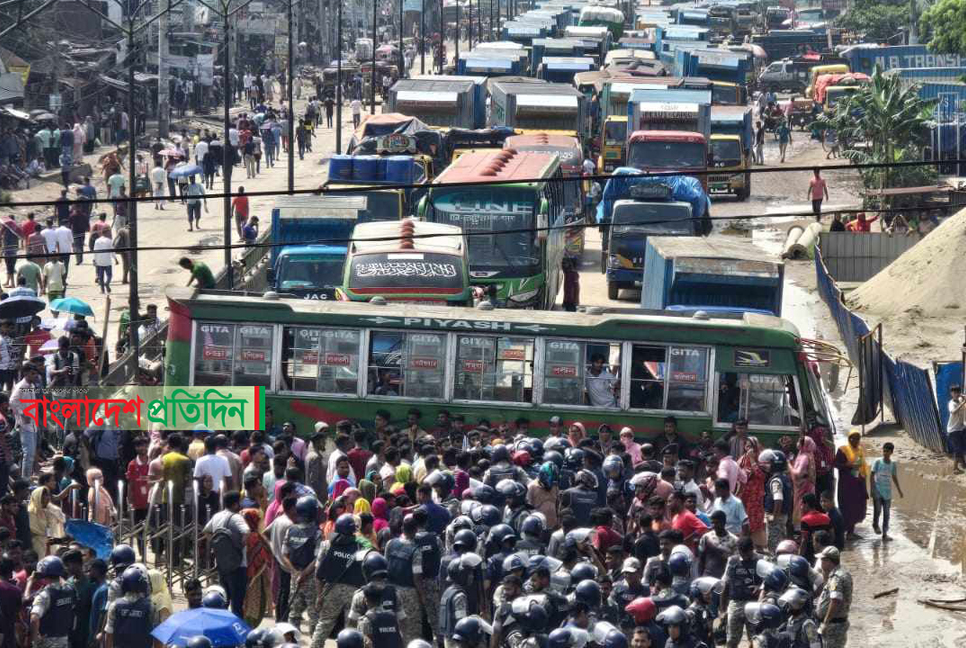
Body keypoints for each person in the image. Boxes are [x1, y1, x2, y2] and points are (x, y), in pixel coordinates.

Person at [203, 490, 250, 617]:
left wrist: (216, 545)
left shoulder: (217, 516)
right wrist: (240, 545)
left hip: (222, 565)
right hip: (238, 566)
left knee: (224, 600)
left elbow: (206, 531)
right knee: (237, 603)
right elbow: (246, 531)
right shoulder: (237, 517)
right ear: (235, 504)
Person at [30, 556, 77, 648]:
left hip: (47, 642)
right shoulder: (70, 590)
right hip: (64, 639)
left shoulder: (45, 595)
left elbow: (34, 618)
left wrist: (35, 640)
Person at [814, 547, 852, 648]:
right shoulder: (840, 573)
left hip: (834, 625)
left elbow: (835, 601)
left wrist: (825, 622)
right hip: (836, 624)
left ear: (829, 561)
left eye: (822, 560)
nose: (820, 563)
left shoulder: (836, 578)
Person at [834, 431, 868, 539]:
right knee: (846, 507)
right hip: (846, 485)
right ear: (849, 439)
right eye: (853, 439)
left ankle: (850, 532)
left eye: (858, 439)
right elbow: (835, 464)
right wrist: (847, 465)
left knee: (856, 508)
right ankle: (842, 532)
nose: (856, 441)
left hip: (857, 484)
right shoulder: (843, 450)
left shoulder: (860, 451)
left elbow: (862, 466)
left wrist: (863, 480)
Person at [869, 442, 903, 540]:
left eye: (887, 451)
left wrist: (899, 490)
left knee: (887, 514)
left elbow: (894, 477)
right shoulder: (877, 462)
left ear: (891, 452)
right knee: (878, 510)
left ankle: (885, 534)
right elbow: (872, 475)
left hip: (887, 492)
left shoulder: (892, 465)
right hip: (877, 490)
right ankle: (875, 524)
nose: (884, 453)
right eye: (883, 451)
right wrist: (872, 489)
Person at [948, 384, 966, 473]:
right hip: (953, 430)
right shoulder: (951, 403)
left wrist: (962, 396)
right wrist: (963, 402)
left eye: (957, 392)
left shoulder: (960, 399)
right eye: (954, 392)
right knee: (958, 449)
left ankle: (963, 464)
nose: (956, 394)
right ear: (951, 393)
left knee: (962, 447)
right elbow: (953, 412)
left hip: (961, 428)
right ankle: (955, 468)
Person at [92, 228, 115, 293]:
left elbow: (95, 251)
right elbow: (112, 251)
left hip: (99, 261)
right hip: (107, 261)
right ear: (106, 233)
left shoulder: (97, 240)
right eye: (108, 232)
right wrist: (115, 259)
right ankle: (107, 283)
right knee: (109, 275)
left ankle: (102, 290)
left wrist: (94, 260)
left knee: (101, 277)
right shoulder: (109, 240)